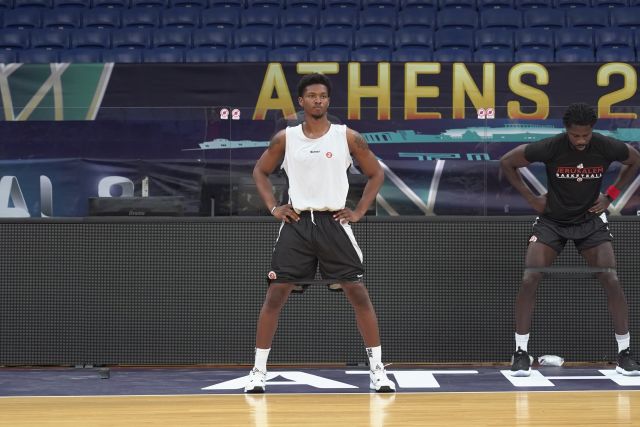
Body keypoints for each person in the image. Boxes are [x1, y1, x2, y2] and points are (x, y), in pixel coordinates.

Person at [244, 73, 396, 393]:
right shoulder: (286, 138)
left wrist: (359, 212)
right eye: (312, 96)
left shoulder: (347, 136)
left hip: (333, 221)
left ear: (328, 101)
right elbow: (260, 171)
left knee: (358, 293)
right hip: (297, 222)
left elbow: (376, 174)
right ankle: (258, 371)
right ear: (302, 102)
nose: (318, 100)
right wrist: (274, 207)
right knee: (276, 293)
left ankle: (378, 370)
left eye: (323, 96)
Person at [500, 103, 640, 377]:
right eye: (576, 135)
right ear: (567, 131)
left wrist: (610, 196)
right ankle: (520, 352)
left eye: (586, 135)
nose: (581, 140)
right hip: (552, 221)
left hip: (590, 221)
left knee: (610, 277)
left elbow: (635, 159)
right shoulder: (551, 146)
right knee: (530, 276)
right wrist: (532, 199)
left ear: (592, 130)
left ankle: (625, 354)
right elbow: (507, 162)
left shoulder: (605, 146)